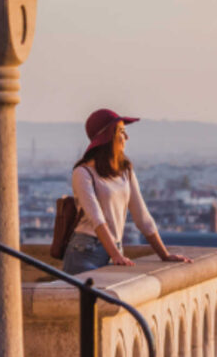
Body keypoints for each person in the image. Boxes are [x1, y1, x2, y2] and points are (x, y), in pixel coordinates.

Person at [63, 108, 193, 274]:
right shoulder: (82, 173)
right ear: (109, 136)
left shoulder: (125, 170)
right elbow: (96, 219)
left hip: (114, 249)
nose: (126, 137)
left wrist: (164, 254)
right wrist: (116, 255)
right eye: (122, 132)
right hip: (86, 251)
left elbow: (142, 217)